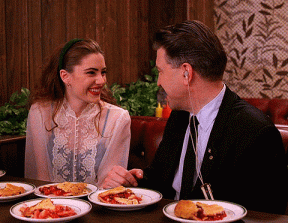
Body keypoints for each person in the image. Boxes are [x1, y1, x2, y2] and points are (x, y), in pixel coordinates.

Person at [102, 20, 288, 214]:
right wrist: (133, 181)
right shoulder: (180, 116)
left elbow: (267, 214)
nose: (158, 82)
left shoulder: (255, 132)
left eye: (161, 71)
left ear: (186, 73)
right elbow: (162, 181)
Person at [25, 39, 131, 187]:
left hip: (98, 208)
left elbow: (107, 186)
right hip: (51, 206)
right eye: (91, 73)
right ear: (65, 76)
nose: (101, 80)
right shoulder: (40, 112)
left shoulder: (118, 118)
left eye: (103, 72)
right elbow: (42, 179)